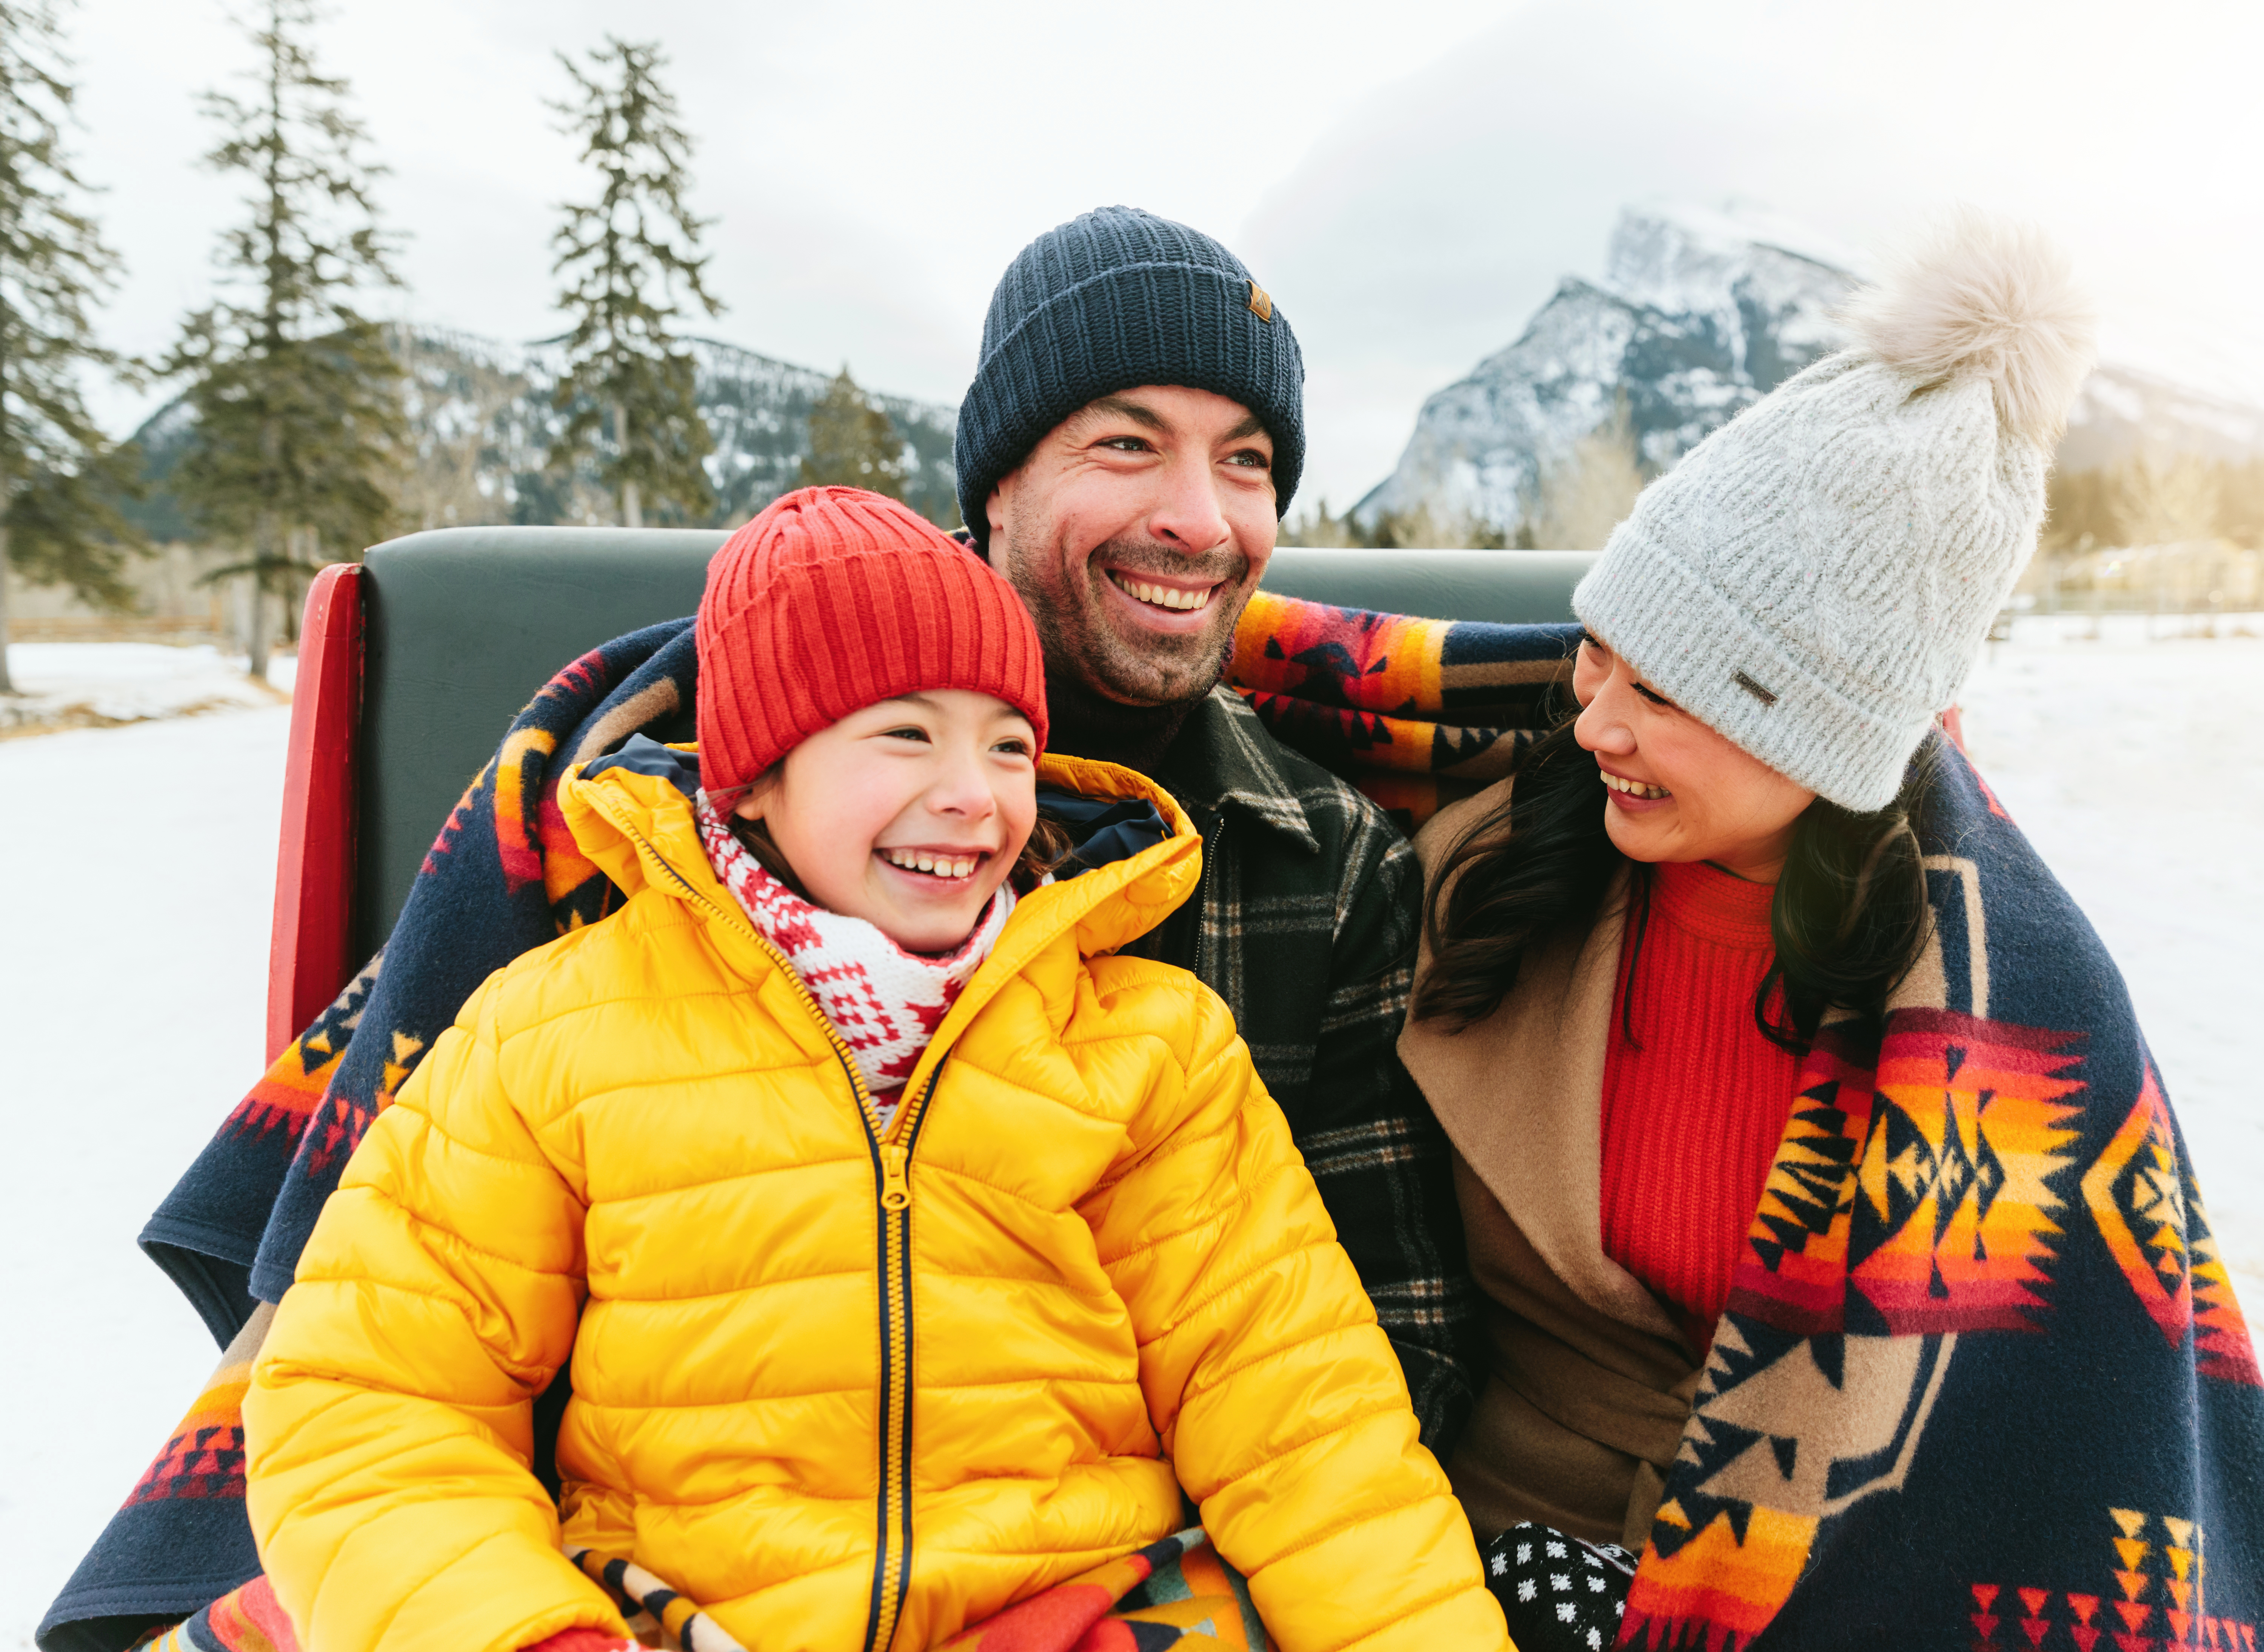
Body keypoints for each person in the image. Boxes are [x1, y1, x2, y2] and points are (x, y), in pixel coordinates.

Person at [242, 488, 1513, 1652]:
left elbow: (1307, 1429)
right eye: (904, 736)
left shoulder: (1144, 1047)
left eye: (1011, 745)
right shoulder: (558, 1033)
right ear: (753, 782)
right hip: (683, 1609)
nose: (973, 795)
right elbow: (370, 1400)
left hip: (1081, 1608)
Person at [1399, 218, 2264, 1649]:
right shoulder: (1484, 858)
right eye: (1600, 647)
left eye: (1671, 694)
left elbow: (2093, 1463)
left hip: (1822, 1595)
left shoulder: (2017, 1022)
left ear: (1831, 734)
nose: (1594, 721)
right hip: (1431, 1548)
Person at [953, 206, 1477, 1446]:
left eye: (1246, 461)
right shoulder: (767, 790)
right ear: (997, 487)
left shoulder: (1328, 858)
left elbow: (1397, 1334)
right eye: (1130, 442)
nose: (1204, 520)